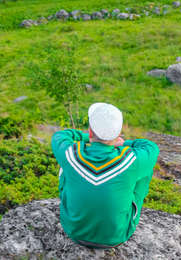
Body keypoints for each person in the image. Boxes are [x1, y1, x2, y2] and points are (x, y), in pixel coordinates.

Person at [51, 102, 160, 248]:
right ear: (118, 133)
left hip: (74, 231)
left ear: (90, 132)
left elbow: (61, 135)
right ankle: (126, 211)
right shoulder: (132, 160)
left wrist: (86, 137)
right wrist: (122, 143)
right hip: (117, 236)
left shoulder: (71, 153)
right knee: (145, 170)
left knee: (65, 167)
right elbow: (150, 146)